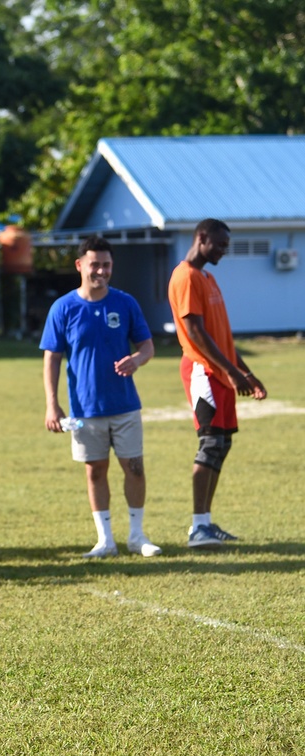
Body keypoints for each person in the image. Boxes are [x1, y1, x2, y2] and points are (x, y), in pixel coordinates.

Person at [40, 236, 161, 559]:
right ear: (80, 266)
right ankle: (105, 540)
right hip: (84, 408)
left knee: (134, 467)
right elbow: (51, 358)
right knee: (95, 470)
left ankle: (137, 536)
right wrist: (53, 404)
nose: (102, 271)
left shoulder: (125, 303)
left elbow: (147, 346)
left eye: (107, 265)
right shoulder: (63, 308)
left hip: (125, 406)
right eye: (95, 264)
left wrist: (138, 359)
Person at [167, 218, 267, 548]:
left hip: (222, 373)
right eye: (220, 244)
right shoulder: (185, 276)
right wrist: (231, 372)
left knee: (222, 445)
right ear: (202, 237)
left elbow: (222, 337)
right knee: (210, 444)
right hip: (202, 371)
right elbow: (195, 331)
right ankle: (197, 528)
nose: (224, 251)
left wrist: (246, 373)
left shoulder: (208, 277)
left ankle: (206, 522)